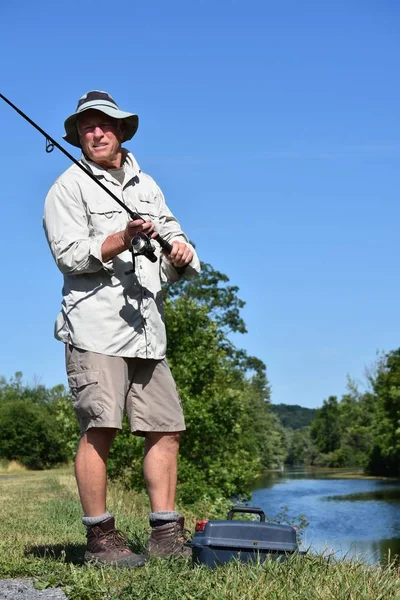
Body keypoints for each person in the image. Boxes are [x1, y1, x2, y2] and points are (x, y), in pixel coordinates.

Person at [43, 90, 200, 567]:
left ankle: (166, 534)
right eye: (87, 126)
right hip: (95, 329)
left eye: (105, 125)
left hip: (147, 329)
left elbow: (173, 231)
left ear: (121, 131)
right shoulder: (66, 188)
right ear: (77, 136)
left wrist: (181, 250)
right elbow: (68, 255)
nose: (97, 132)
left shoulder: (146, 183)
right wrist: (122, 238)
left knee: (166, 428)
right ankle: (101, 541)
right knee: (101, 427)